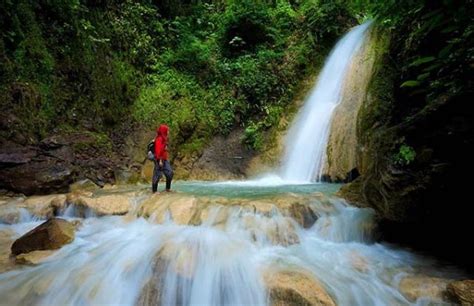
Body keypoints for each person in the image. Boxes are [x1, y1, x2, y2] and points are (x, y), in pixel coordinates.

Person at [152, 124, 173, 193]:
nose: (168, 132)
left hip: (164, 159)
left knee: (170, 173)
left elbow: (163, 149)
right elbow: (158, 151)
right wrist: (160, 160)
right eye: (167, 130)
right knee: (157, 175)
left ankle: (167, 188)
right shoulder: (159, 139)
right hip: (159, 159)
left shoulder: (164, 139)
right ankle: (154, 191)